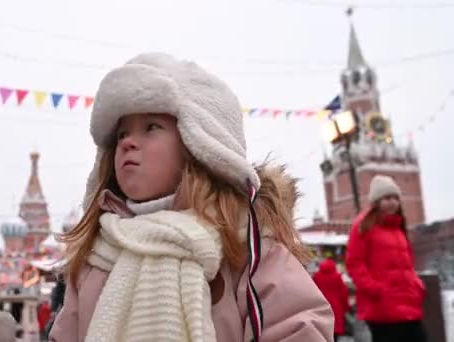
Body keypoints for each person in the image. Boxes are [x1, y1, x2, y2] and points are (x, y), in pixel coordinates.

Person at [49, 52, 333, 342]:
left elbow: (298, 325)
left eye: (151, 128)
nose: (128, 142)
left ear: (198, 145)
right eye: (121, 134)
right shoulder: (96, 254)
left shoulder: (244, 241)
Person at [346, 175, 426, 342]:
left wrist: (417, 285)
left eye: (396, 198)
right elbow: (354, 264)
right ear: (376, 201)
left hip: (409, 304)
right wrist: (376, 290)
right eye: (387, 198)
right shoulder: (363, 226)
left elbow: (408, 266)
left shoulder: (398, 227)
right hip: (382, 308)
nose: (393, 202)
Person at [313, 258, 350, 341]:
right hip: (336, 308)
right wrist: (346, 307)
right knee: (334, 332)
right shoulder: (337, 277)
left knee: (322, 332)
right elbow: (344, 293)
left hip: (321, 307)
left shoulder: (317, 276)